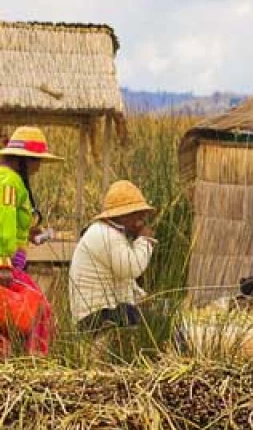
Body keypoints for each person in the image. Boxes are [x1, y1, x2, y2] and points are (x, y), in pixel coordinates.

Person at [0, 127, 61, 355]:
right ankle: (35, 363)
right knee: (39, 311)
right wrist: (4, 262)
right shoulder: (9, 181)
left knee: (10, 319)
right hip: (5, 265)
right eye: (37, 161)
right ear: (23, 160)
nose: (38, 167)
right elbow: (3, 219)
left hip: (11, 262)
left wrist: (29, 232)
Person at [70, 180, 158, 334]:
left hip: (106, 313)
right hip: (96, 318)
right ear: (123, 216)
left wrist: (143, 297)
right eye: (137, 216)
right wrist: (145, 241)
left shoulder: (112, 233)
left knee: (149, 314)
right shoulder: (105, 235)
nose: (141, 222)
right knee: (146, 319)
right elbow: (131, 268)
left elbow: (124, 282)